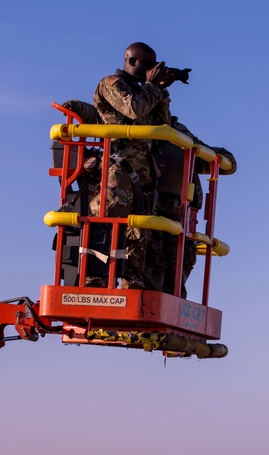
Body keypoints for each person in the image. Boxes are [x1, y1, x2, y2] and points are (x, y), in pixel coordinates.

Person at [91, 42, 173, 289]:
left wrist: (161, 92)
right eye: (148, 66)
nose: (151, 71)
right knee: (106, 234)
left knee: (138, 239)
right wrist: (150, 86)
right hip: (118, 174)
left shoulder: (145, 91)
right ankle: (94, 289)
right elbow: (134, 109)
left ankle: (131, 290)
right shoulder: (111, 83)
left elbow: (163, 125)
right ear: (131, 61)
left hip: (143, 177)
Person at [154, 112, 236, 298]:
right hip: (150, 211)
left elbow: (219, 160)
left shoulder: (176, 132)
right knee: (151, 262)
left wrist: (223, 158)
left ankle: (167, 308)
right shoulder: (138, 129)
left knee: (180, 261)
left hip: (182, 215)